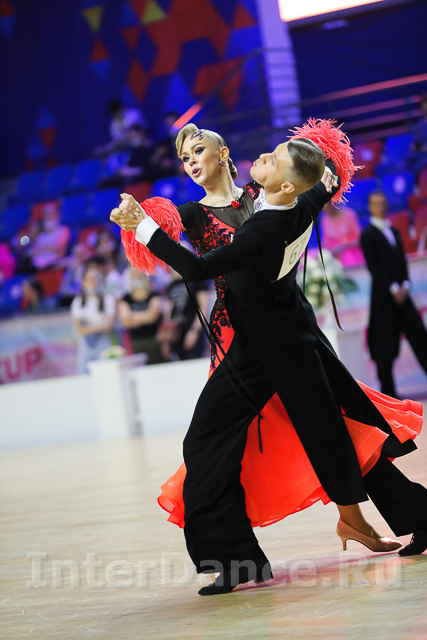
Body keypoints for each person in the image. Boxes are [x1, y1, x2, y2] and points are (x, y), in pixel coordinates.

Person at [111, 133, 427, 596]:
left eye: (198, 151)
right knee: (324, 430)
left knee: (327, 430)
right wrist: (139, 218)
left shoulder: (265, 205)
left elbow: (196, 267)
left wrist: (140, 225)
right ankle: (406, 517)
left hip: (263, 339)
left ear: (223, 154)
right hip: (266, 332)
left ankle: (241, 558)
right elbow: (322, 180)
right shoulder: (256, 204)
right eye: (183, 157)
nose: (190, 162)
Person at [361, 190, 427, 398]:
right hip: (383, 298)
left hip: (403, 295)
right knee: (384, 348)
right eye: (376, 203)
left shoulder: (395, 231)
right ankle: (389, 396)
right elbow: (373, 267)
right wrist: (393, 288)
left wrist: (405, 284)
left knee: (420, 336)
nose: (380, 207)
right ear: (370, 207)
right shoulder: (368, 235)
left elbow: (402, 261)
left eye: (383, 203)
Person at [158, 266, 211, 361]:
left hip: (192, 328)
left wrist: (194, 331)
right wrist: (166, 339)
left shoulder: (196, 281)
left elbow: (203, 308)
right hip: (175, 332)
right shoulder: (172, 285)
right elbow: (168, 312)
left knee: (194, 362)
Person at [71, 267, 115, 374]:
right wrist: (99, 325)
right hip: (86, 344)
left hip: (102, 342)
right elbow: (80, 329)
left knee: (106, 373)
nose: (93, 282)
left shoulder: (107, 299)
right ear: (84, 282)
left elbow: (108, 327)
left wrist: (88, 326)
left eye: (96, 279)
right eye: (90, 279)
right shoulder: (78, 302)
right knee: (84, 374)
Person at [118, 268, 163, 363]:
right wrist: (147, 314)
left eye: (140, 273)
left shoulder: (154, 294)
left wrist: (132, 316)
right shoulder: (126, 298)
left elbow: (153, 316)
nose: (138, 276)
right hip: (136, 342)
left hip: (155, 340)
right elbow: (125, 321)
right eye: (135, 274)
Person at [321, 201, 364, 267]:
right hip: (334, 254)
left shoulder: (349, 215)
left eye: (328, 207)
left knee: (346, 255)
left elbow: (359, 239)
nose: (327, 210)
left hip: (352, 253)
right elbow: (326, 242)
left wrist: (342, 246)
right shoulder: (325, 219)